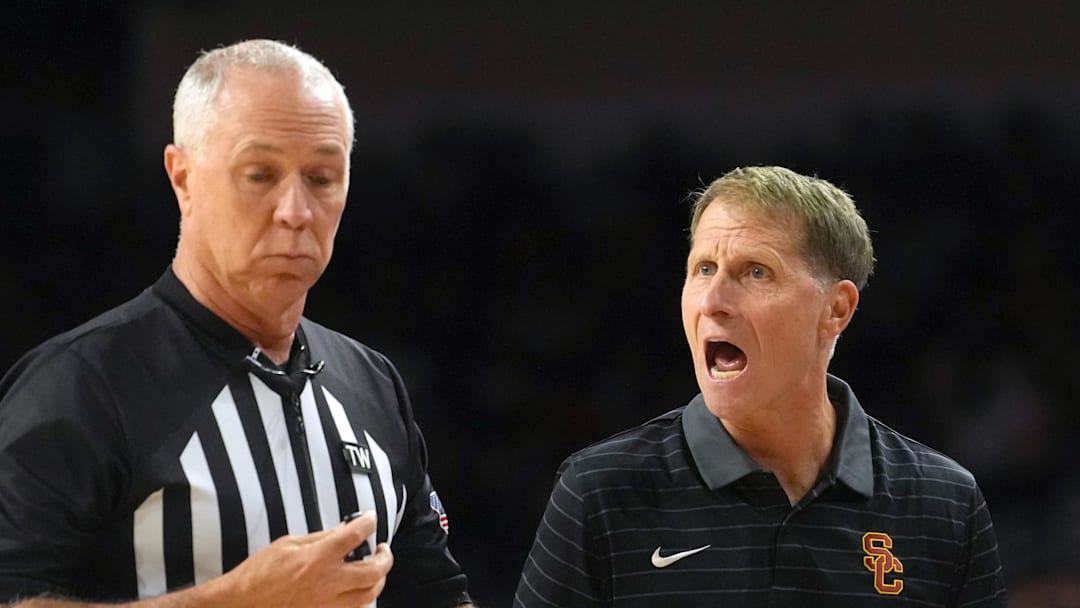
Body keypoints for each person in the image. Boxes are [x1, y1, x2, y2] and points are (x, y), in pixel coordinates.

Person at [0, 39, 472, 608]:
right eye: (259, 174)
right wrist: (232, 601)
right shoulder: (79, 384)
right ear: (183, 177)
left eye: (322, 177)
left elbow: (438, 595)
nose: (295, 211)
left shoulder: (372, 383)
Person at [514, 166, 1007, 607]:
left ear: (836, 310)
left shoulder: (944, 504)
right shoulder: (599, 491)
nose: (713, 301)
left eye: (755, 272)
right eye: (703, 269)